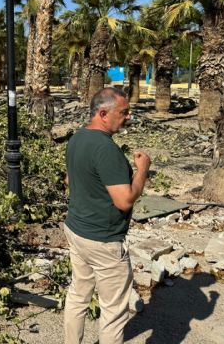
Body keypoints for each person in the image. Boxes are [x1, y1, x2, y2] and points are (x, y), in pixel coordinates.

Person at [63, 87, 151, 344]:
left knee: (78, 295)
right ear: (103, 113)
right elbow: (124, 200)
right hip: (102, 240)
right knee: (113, 310)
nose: (128, 117)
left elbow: (70, 179)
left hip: (76, 230)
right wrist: (142, 170)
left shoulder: (78, 138)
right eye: (123, 113)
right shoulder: (106, 150)